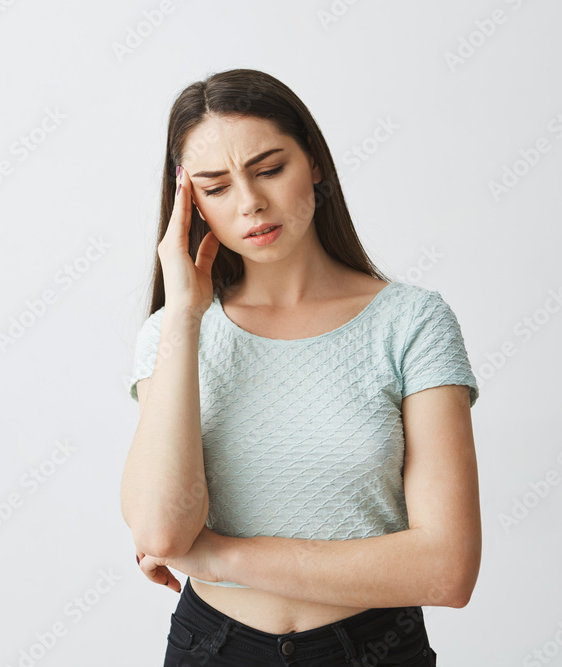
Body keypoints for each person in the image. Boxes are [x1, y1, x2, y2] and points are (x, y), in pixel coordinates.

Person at [120, 68, 481, 667]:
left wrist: (216, 558)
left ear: (314, 162)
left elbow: (447, 569)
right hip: (214, 648)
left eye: (269, 169)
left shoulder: (412, 322)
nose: (250, 201)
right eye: (216, 186)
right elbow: (159, 535)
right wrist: (185, 313)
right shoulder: (172, 333)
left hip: (374, 649)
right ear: (192, 204)